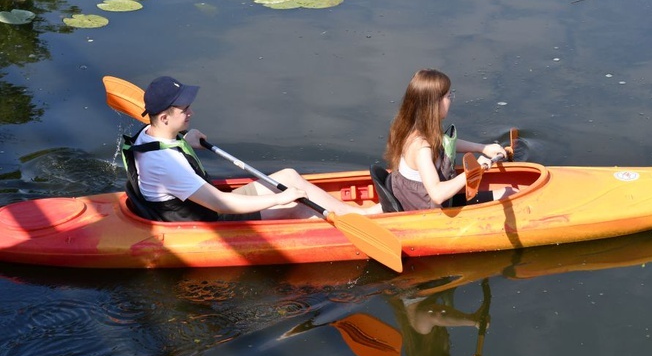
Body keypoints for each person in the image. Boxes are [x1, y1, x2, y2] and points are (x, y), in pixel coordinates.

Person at [123, 76, 381, 222]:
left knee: (289, 175)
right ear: (165, 118)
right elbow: (220, 203)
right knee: (297, 206)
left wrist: (184, 141)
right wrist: (280, 199)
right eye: (184, 110)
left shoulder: (150, 135)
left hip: (200, 205)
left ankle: (360, 215)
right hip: (210, 222)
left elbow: (169, 149)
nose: (192, 112)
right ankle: (356, 222)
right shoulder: (167, 164)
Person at [384, 69, 511, 211]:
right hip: (430, 212)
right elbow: (437, 194)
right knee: (510, 193)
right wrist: (473, 171)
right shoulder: (420, 147)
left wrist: (483, 148)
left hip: (417, 200)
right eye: (448, 96)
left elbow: (445, 144)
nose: (450, 100)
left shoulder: (416, 128)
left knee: (508, 192)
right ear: (434, 104)